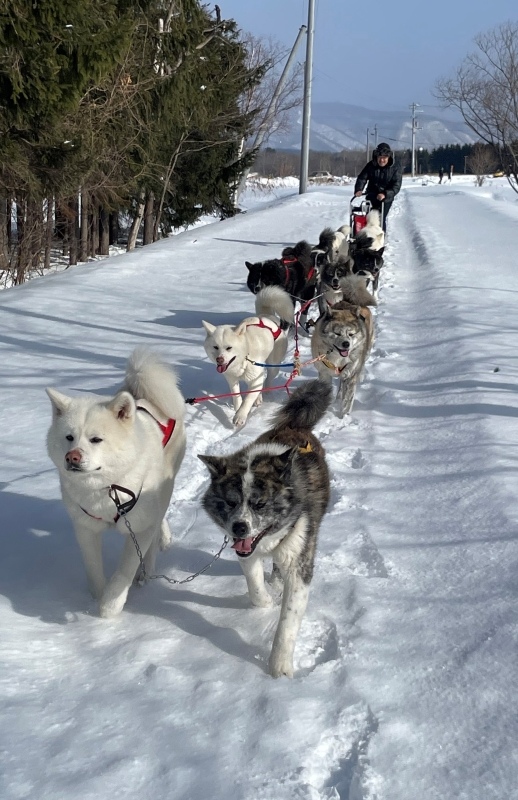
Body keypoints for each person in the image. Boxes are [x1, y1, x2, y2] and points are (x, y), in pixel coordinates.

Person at [353, 142, 402, 231]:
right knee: (369, 217)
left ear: (388, 157)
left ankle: (380, 238)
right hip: (372, 194)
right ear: (376, 157)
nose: (382, 160)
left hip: (386, 198)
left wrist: (385, 194)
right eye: (380, 157)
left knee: (379, 218)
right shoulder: (371, 165)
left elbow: (396, 185)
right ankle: (366, 237)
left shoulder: (395, 167)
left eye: (384, 158)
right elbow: (362, 178)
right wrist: (359, 189)